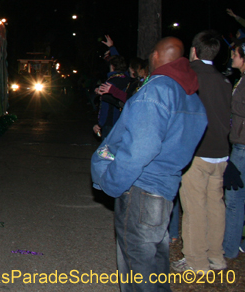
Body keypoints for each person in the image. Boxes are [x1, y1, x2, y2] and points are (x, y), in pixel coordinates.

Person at [91, 37, 207, 287]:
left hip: (141, 188)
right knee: (154, 261)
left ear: (155, 56)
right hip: (165, 187)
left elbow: (140, 149)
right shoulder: (189, 94)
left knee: (137, 266)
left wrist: (112, 182)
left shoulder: (155, 90)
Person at [172, 31, 232, 273]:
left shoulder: (190, 76)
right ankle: (216, 257)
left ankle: (196, 261)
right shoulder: (224, 81)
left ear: (194, 51)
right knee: (215, 205)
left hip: (197, 151)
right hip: (221, 152)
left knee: (194, 207)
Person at [223, 39, 245, 259]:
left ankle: (229, 248)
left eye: (235, 54)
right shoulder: (241, 79)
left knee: (235, 199)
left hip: (243, 147)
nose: (232, 58)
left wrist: (229, 101)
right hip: (239, 144)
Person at [92, 55, 132, 138]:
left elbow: (105, 106)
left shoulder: (110, 83)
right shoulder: (128, 79)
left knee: (108, 146)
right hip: (126, 121)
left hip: (111, 123)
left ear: (112, 66)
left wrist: (100, 124)